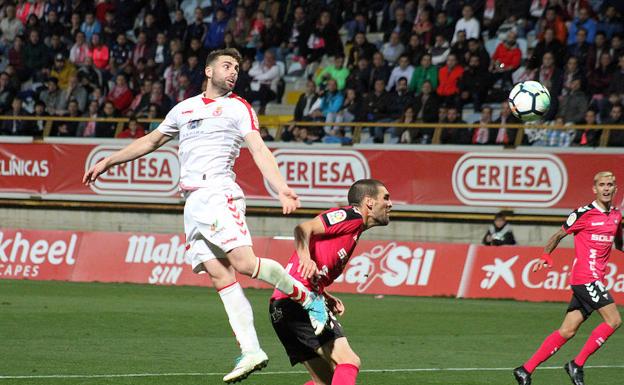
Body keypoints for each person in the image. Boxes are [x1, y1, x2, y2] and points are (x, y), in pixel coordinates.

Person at [82, 48, 329, 384]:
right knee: (220, 276)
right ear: (209, 70)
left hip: (218, 192)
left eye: (237, 68)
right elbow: (151, 140)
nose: (234, 72)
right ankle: (252, 349)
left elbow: (258, 148)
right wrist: (108, 161)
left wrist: (282, 188)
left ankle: (308, 298)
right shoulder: (184, 109)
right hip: (193, 202)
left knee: (244, 263)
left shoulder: (238, 107)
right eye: (227, 66)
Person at [270, 179, 392, 385]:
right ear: (369, 202)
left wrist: (324, 295)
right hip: (301, 302)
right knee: (349, 361)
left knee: (324, 382)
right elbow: (302, 229)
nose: (390, 204)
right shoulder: (350, 215)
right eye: (386, 198)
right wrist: (305, 258)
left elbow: (311, 270)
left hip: (281, 306)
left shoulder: (353, 231)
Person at [513, 171, 623, 385]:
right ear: (595, 189)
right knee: (614, 320)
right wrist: (545, 256)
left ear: (615, 188)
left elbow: (619, 243)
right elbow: (558, 235)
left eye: (610, 184)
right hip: (586, 277)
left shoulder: (616, 216)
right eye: (602, 185)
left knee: (568, 330)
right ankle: (577, 364)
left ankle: (525, 369)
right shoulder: (583, 213)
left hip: (595, 278)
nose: (607, 188)